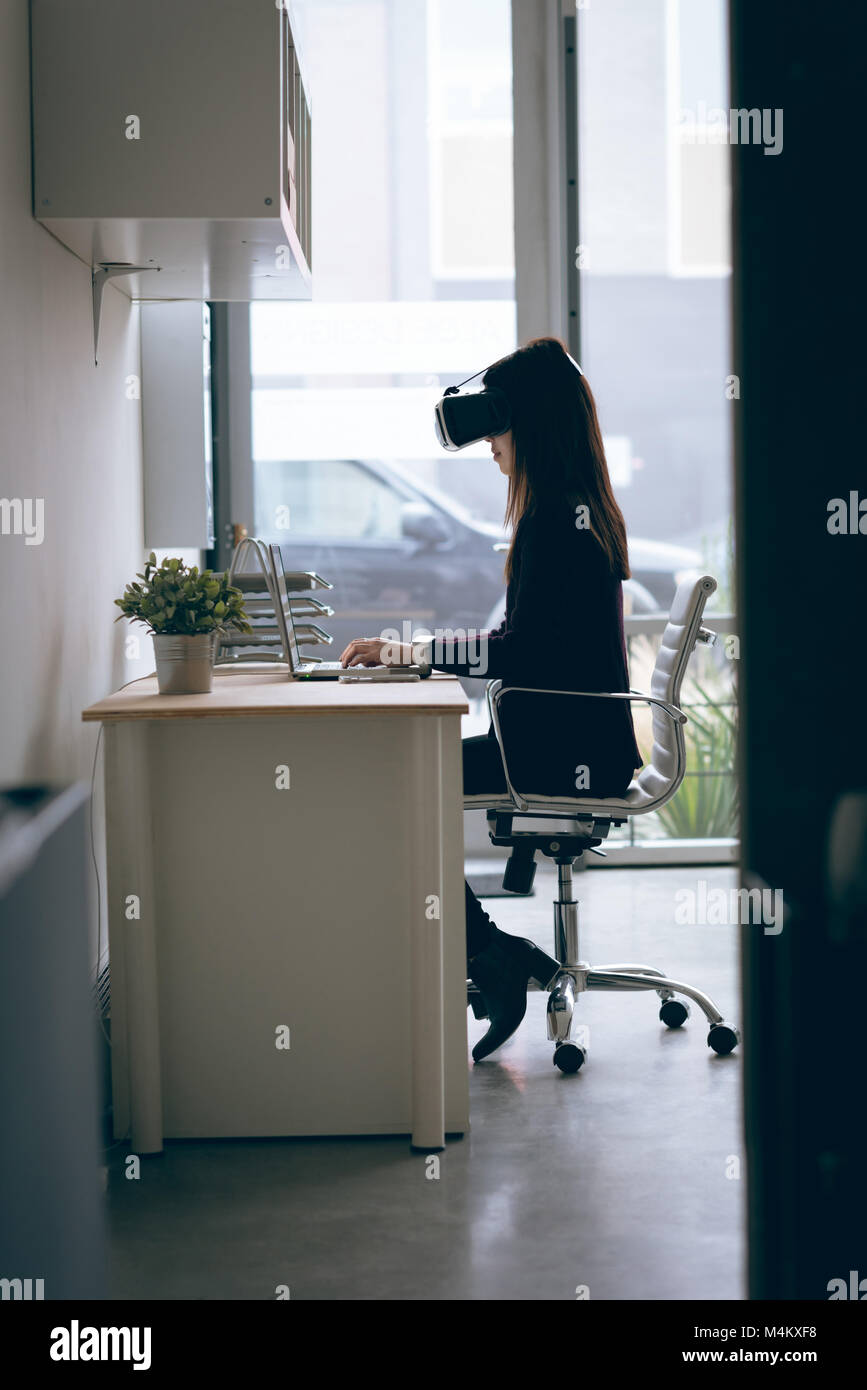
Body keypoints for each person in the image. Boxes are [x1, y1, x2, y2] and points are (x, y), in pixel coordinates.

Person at [340, 337, 642, 1061]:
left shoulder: (552, 521)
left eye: (497, 429)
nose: (490, 448)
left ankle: (490, 956)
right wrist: (415, 654)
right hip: (578, 743)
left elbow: (518, 650)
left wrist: (410, 654)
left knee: (395, 785)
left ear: (529, 425)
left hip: (561, 751)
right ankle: (491, 953)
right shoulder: (579, 509)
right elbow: (525, 639)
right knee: (405, 779)